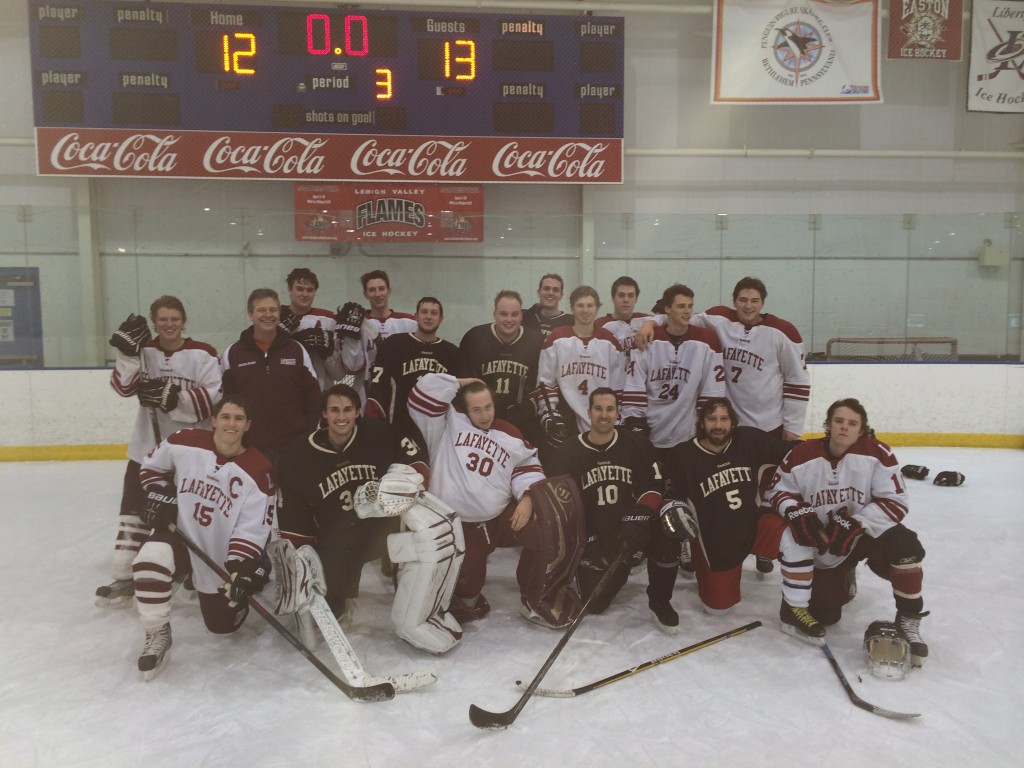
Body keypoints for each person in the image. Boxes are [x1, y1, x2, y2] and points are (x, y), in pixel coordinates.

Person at [276, 385, 461, 653]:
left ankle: (423, 609)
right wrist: (301, 556)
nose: (342, 417)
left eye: (348, 410)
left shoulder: (379, 434)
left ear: (357, 411)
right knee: (331, 603)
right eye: (334, 410)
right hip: (335, 537)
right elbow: (294, 515)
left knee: (426, 538)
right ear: (324, 414)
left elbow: (414, 456)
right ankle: (338, 595)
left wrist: (404, 481)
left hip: (380, 528)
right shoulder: (298, 455)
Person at [409, 373, 584, 629]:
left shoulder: (508, 432)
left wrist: (527, 498)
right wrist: (460, 383)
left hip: (498, 519)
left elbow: (528, 466)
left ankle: (535, 595)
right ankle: (461, 595)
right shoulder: (446, 424)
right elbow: (421, 395)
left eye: (488, 406)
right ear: (465, 410)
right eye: (476, 409)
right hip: (456, 525)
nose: (484, 415)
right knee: (468, 595)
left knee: (543, 528)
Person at [767, 398, 929, 667]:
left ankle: (909, 619)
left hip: (863, 535)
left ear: (862, 429)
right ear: (828, 424)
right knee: (826, 615)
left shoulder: (878, 454)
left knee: (906, 546)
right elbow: (777, 491)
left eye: (852, 423)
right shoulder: (801, 453)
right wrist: (796, 511)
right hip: (825, 542)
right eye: (839, 421)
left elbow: (896, 502)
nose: (844, 427)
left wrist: (858, 523)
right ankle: (843, 573)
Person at [130, 395, 275, 680]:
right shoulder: (186, 440)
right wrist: (160, 494)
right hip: (180, 536)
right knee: (150, 559)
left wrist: (241, 568)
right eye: (226, 417)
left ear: (247, 426)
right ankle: (157, 632)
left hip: (218, 554)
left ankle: (249, 583)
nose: (231, 424)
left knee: (222, 627)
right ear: (214, 420)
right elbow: (150, 466)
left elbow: (252, 527)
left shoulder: (259, 471)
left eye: (238, 419)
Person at [96, 296, 221, 608]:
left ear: (183, 320)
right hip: (146, 449)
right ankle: (125, 573)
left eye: (174, 319)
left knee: (187, 514)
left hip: (189, 452)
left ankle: (189, 567)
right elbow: (123, 388)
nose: (169, 324)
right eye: (163, 319)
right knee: (135, 509)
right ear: (154, 322)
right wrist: (126, 353)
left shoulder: (203, 353)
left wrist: (174, 398)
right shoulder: (144, 351)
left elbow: (214, 396)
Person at [547, 388, 681, 633]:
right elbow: (562, 504)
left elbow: (654, 485)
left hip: (633, 527)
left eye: (610, 409)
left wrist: (640, 515)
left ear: (618, 413)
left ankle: (660, 601)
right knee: (595, 604)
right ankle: (621, 563)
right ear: (588, 412)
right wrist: (586, 538)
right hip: (597, 535)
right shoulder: (568, 451)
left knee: (667, 535)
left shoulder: (636, 444)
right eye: (598, 409)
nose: (604, 415)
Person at [660, 397, 797, 616]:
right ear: (702, 423)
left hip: (752, 525)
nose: (718, 425)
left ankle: (796, 608)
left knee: (795, 535)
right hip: (715, 541)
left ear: (733, 422)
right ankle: (693, 551)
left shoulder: (749, 439)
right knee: (718, 610)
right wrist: (674, 510)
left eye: (724, 419)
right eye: (711, 418)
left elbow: (792, 452)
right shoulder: (683, 455)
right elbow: (671, 495)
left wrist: (830, 444)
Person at [637, 276, 809, 441]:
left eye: (754, 301)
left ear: (762, 303)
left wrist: (793, 427)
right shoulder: (718, 318)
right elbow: (682, 319)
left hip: (769, 425)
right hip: (729, 425)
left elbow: (797, 380)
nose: (748, 306)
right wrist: (651, 322)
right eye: (742, 300)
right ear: (734, 301)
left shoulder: (783, 332)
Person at [220, 288, 321, 464]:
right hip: (249, 449)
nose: (268, 315)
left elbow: (313, 398)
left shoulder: (296, 350)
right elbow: (224, 402)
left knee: (293, 493)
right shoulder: (233, 354)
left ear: (280, 313)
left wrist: (309, 438)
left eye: (273, 310)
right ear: (250, 314)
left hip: (293, 447)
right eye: (261, 310)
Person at [620, 284, 724, 450]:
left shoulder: (706, 341)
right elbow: (635, 388)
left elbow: (712, 392)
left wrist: (705, 427)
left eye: (690, 306)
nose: (687, 311)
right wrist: (635, 424)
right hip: (651, 430)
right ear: (667, 309)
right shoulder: (647, 339)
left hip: (687, 434)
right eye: (681, 306)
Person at [534, 285, 626, 449]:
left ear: (597, 308)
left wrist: (616, 414)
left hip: (601, 416)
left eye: (590, 305)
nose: (585, 310)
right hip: (566, 416)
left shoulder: (610, 342)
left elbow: (617, 386)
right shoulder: (556, 338)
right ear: (572, 308)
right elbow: (545, 381)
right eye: (580, 305)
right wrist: (549, 412)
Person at [365, 296, 462, 452]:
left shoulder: (452, 353)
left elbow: (460, 397)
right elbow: (378, 388)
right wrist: (376, 424)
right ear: (416, 316)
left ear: (441, 319)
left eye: (433, 313)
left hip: (437, 432)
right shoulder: (394, 344)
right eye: (424, 312)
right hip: (399, 427)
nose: (428, 317)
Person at [459, 290, 544, 441]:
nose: (509, 319)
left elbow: (543, 384)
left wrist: (531, 406)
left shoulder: (536, 341)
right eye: (503, 314)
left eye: (514, 314)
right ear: (494, 314)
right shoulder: (474, 338)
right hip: (480, 423)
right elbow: (462, 384)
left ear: (521, 315)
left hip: (522, 424)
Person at [336, 270, 417, 400]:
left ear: (389, 291)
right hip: (367, 390)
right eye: (372, 290)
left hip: (401, 389)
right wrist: (350, 337)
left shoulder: (410, 323)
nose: (378, 294)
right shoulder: (359, 324)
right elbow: (352, 366)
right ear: (366, 294)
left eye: (381, 289)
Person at [278, 267, 344, 391]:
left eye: (310, 290)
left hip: (320, 393)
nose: (304, 294)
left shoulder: (329, 319)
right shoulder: (276, 317)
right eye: (299, 289)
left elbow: (339, 374)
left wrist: (328, 354)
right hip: (284, 392)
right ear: (289, 290)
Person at [596, 275, 650, 362]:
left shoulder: (645, 320)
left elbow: (667, 318)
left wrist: (650, 324)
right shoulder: (599, 325)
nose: (626, 300)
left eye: (630, 296)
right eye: (621, 295)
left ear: (636, 299)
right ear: (613, 298)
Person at [522, 273, 574, 339]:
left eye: (555, 290)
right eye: (546, 288)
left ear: (561, 296)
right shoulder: (525, 317)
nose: (550, 293)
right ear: (539, 292)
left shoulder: (571, 322)